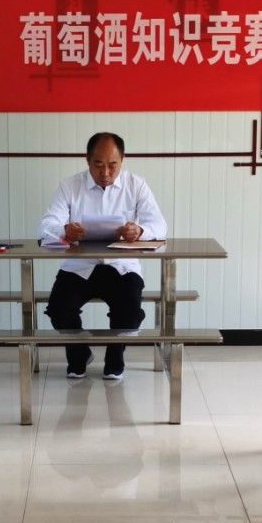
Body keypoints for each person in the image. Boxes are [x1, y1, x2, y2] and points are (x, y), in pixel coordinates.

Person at [39, 132, 168, 381]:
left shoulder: (136, 185)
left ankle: (115, 357)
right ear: (87, 160)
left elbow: (160, 225)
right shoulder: (70, 186)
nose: (105, 172)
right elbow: (46, 226)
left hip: (121, 266)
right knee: (58, 309)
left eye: (112, 165)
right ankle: (79, 354)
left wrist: (140, 230)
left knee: (129, 311)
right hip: (80, 265)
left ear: (122, 160)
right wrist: (64, 230)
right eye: (98, 164)